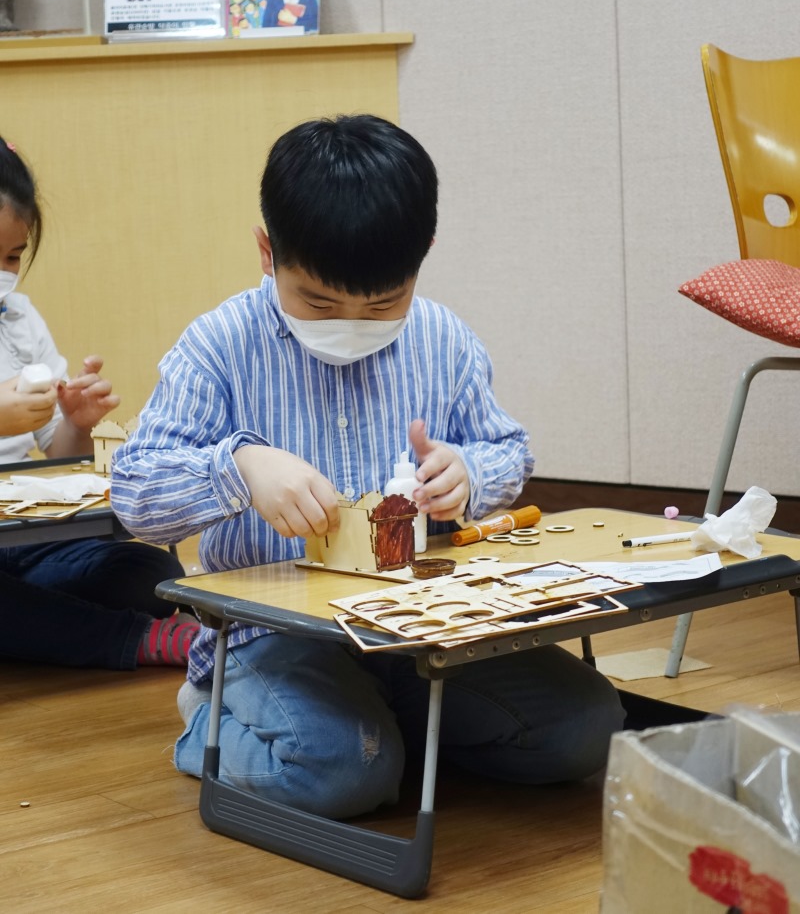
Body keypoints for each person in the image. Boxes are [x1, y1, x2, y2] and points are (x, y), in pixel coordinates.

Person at [111, 115, 624, 819]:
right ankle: (213, 718)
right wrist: (241, 465)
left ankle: (384, 733)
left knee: (587, 728)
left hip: (417, 627)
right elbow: (135, 494)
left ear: (423, 256)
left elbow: (509, 450)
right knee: (343, 771)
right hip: (274, 638)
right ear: (268, 251)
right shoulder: (220, 344)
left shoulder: (443, 338)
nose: (351, 321)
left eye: (384, 303)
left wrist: (468, 475)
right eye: (319, 301)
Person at [0, 137, 199, 670]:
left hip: (21, 541)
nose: (4, 271)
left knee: (143, 572)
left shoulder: (18, 320)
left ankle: (57, 623)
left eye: (13, 256)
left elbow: (55, 454)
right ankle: (134, 639)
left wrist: (75, 422)